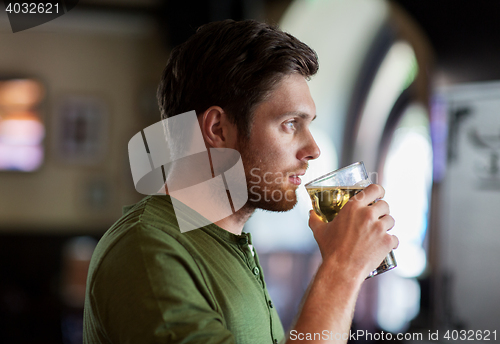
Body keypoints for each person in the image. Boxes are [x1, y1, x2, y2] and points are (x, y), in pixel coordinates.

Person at [83, 19, 398, 344]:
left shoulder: (228, 244)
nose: (313, 150)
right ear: (218, 129)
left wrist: (337, 265)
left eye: (309, 124)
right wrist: (343, 268)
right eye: (291, 123)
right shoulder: (147, 253)